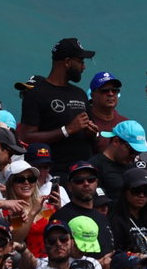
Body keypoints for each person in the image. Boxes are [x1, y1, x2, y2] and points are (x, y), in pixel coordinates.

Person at [16, 39, 98, 175]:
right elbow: (26, 137)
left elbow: (92, 135)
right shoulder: (36, 94)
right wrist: (67, 130)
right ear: (67, 62)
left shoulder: (80, 94)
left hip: (83, 178)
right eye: (80, 62)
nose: (83, 67)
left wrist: (92, 133)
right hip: (54, 175)